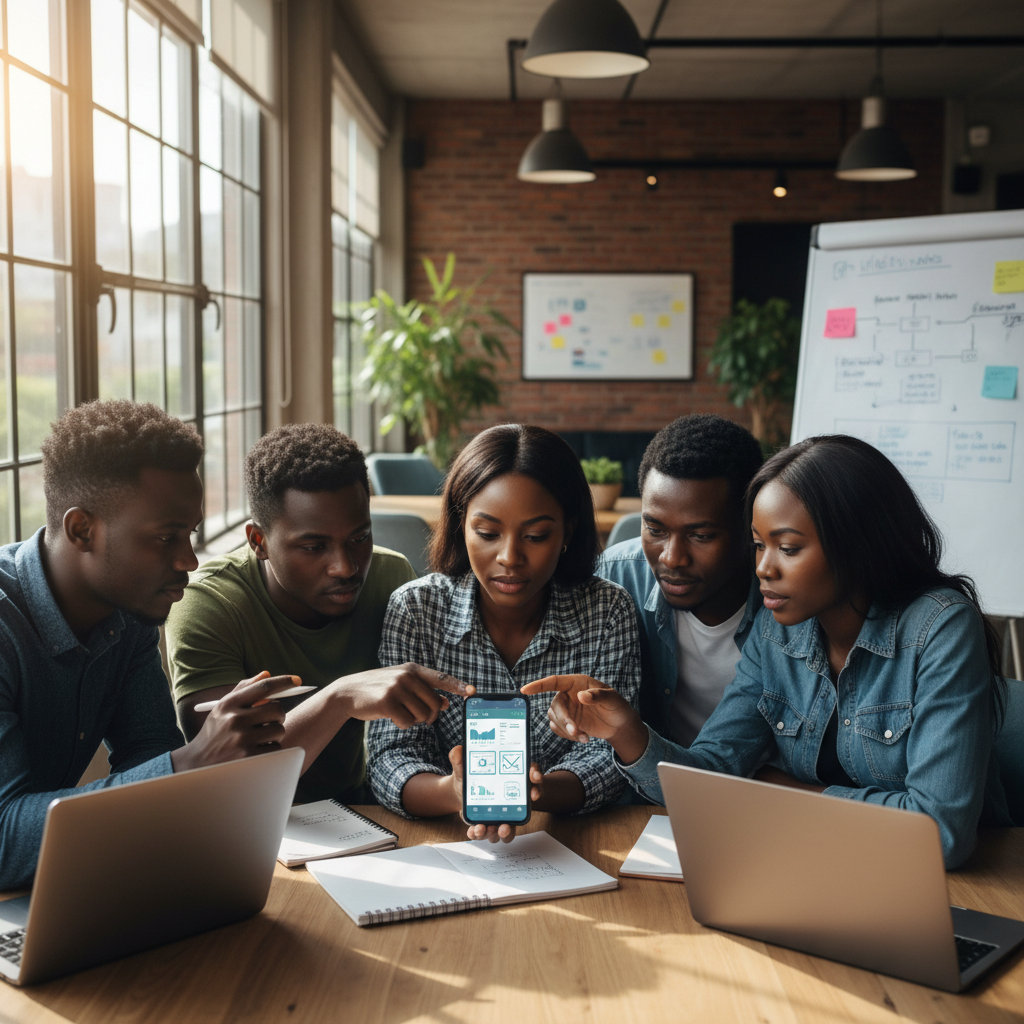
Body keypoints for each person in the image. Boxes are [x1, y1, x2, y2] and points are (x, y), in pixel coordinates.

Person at [526, 435, 1012, 868]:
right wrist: (627, 733)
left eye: (789, 548)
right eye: (759, 546)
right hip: (817, 863)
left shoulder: (939, 629)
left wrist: (787, 793)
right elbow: (714, 774)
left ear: (857, 545)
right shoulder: (779, 632)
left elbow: (939, 833)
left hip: (956, 886)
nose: (764, 569)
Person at [0, 401, 293, 890]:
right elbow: (4, 842)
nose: (190, 560)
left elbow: (148, 751)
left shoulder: (127, 612)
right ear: (82, 530)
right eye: (165, 538)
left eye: (191, 533)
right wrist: (195, 760)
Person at [168, 423, 470, 804]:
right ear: (258, 542)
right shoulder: (210, 606)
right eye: (314, 547)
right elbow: (231, 775)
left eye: (359, 539)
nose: (345, 567)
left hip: (368, 812)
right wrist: (339, 698)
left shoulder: (391, 578)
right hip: (252, 822)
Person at [367, 424, 640, 841]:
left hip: (572, 841)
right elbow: (390, 756)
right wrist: (453, 792)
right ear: (461, 525)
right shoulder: (415, 610)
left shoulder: (608, 611)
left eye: (535, 536)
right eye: (488, 534)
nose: (510, 557)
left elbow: (610, 756)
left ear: (567, 531)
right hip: (442, 842)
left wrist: (536, 792)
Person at [598, 415, 763, 748]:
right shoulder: (613, 579)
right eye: (655, 530)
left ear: (750, 526)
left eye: (700, 535)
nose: (672, 558)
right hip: (649, 790)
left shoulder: (786, 597)